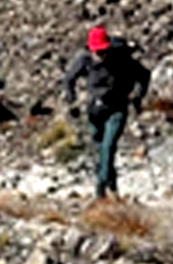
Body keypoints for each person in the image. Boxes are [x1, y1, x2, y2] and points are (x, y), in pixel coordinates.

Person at [61, 26, 151, 199]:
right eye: (97, 51)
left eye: (103, 51)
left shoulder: (122, 59)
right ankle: (113, 188)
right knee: (101, 152)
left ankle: (100, 192)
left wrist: (138, 96)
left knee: (108, 148)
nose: (100, 55)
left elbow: (144, 75)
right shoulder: (84, 60)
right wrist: (72, 102)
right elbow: (68, 79)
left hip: (117, 109)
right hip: (94, 112)